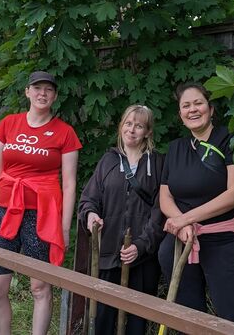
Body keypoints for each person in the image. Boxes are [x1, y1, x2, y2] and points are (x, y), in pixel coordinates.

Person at [0, 71, 82, 335]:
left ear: (55, 96)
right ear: (27, 92)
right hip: (3, 210)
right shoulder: (9, 124)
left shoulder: (65, 133)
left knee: (40, 286)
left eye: (48, 89)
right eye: (37, 88)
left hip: (42, 216)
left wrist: (64, 227)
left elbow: (69, 185)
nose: (42, 93)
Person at [158, 82, 234, 327]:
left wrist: (185, 219)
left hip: (224, 239)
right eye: (186, 106)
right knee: (188, 316)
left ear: (211, 109)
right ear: (180, 115)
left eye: (198, 103)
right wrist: (181, 224)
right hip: (182, 240)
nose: (193, 109)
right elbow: (165, 197)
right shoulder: (175, 149)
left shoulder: (231, 140)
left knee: (232, 317)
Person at [78, 104, 165, 335]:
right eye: (128, 123)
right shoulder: (108, 161)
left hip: (142, 259)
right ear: (120, 127)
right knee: (103, 319)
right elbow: (88, 199)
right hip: (108, 254)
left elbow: (160, 211)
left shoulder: (157, 164)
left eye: (139, 125)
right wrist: (91, 215)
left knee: (137, 322)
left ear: (147, 131)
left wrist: (141, 245)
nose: (132, 129)